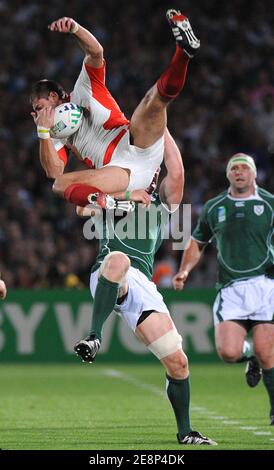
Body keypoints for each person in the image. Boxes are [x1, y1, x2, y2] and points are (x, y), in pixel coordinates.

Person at [74, 129, 217, 445]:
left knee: (178, 363)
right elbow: (81, 207)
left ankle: (185, 432)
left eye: (153, 167)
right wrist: (119, 198)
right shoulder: (115, 191)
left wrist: (161, 126)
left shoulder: (162, 203)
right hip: (107, 271)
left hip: (141, 284)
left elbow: (176, 172)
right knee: (118, 259)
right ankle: (94, 336)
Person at [30, 10, 200, 207]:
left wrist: (75, 29)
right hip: (118, 174)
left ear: (53, 96)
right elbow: (54, 172)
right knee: (59, 185)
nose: (38, 114)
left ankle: (184, 53)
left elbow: (96, 52)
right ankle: (112, 202)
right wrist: (43, 131)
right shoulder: (54, 135)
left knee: (153, 101)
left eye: (39, 107)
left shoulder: (84, 88)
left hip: (136, 145)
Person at [173, 153, 274, 426]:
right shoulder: (214, 206)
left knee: (269, 354)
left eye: (244, 168)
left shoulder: (270, 204)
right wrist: (184, 270)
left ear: (254, 174)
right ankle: (248, 354)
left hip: (265, 286)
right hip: (231, 289)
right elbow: (196, 242)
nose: (239, 172)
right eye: (234, 168)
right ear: (228, 175)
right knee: (228, 352)